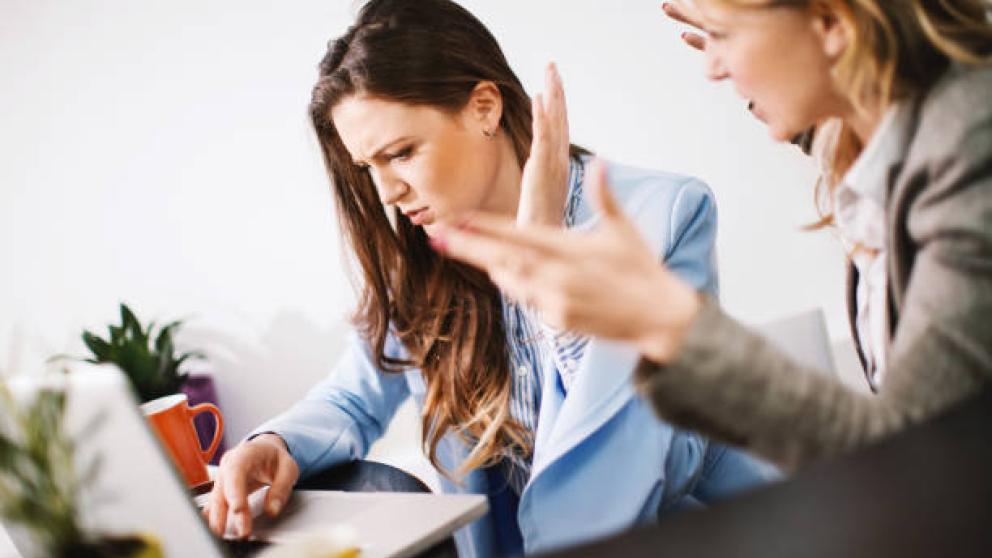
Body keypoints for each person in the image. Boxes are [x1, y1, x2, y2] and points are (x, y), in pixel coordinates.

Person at [204, 1, 774, 556]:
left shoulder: (661, 216)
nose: (386, 194)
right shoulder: (426, 257)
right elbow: (353, 398)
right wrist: (273, 444)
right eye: (367, 168)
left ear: (483, 107)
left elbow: (659, 461)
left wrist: (555, 302)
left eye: (401, 153)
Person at [436, 0, 992, 472]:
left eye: (723, 35)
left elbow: (912, 459)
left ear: (830, 24)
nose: (712, 68)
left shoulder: (973, 152)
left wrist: (666, 321)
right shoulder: (915, 129)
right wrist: (781, 83)